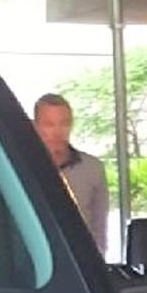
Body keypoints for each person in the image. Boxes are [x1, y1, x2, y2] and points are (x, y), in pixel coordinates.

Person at [33, 93, 108, 253]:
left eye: (64, 123)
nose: (57, 131)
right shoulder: (22, 170)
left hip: (80, 259)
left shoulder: (92, 168)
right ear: (35, 126)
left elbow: (99, 226)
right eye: (49, 124)